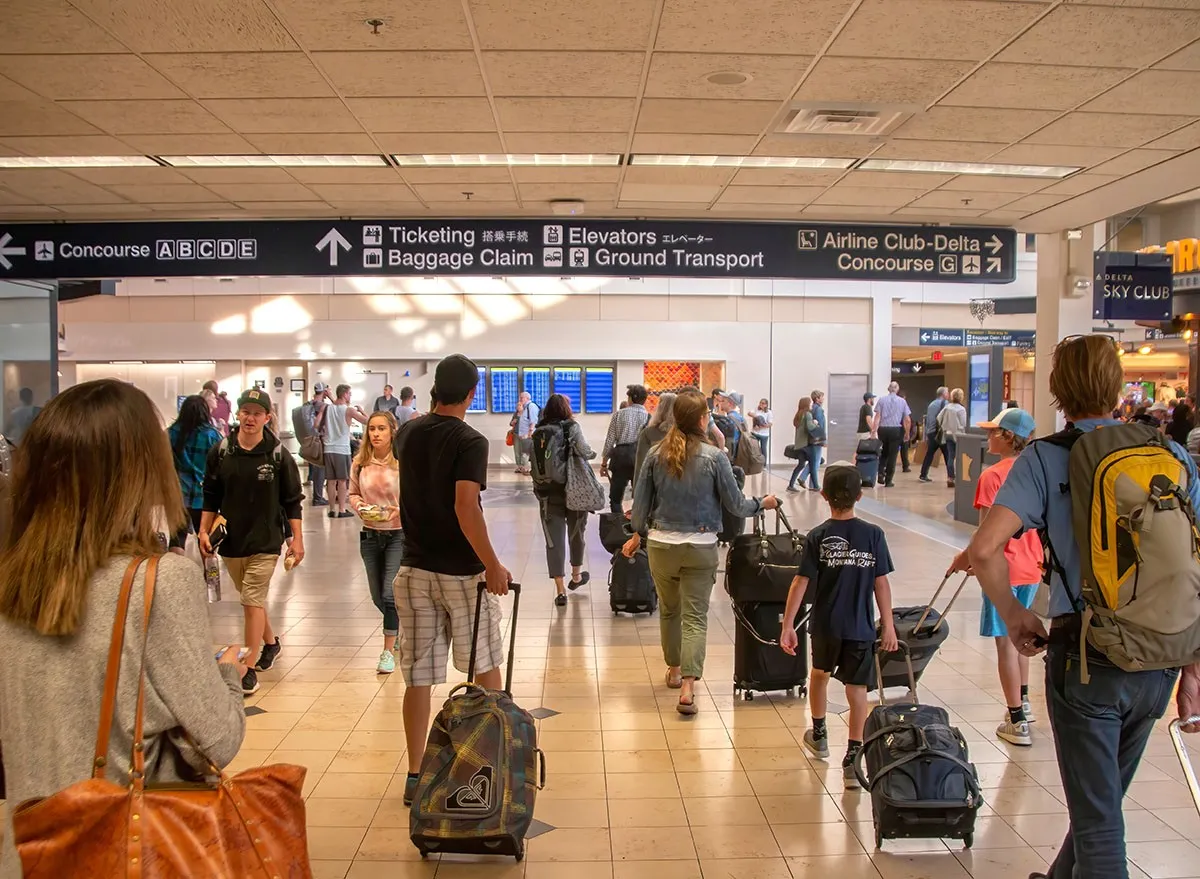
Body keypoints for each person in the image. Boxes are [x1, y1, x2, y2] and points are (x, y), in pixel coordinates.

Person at [965, 335, 1200, 879]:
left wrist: (1016, 614)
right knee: (1104, 801)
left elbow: (984, 548)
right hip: (1159, 658)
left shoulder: (1048, 457)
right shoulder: (1171, 455)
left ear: (1057, 390)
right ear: (1117, 386)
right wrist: (1191, 667)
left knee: (1099, 824)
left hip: (1089, 656)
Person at [0, 379, 247, 879]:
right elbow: (216, 741)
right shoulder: (156, 581)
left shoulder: (13, 581)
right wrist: (225, 675)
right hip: (125, 848)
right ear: (140, 469)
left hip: (28, 852)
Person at [393, 353, 511, 807]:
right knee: (485, 667)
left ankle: (416, 772)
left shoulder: (408, 432)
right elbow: (466, 507)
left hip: (413, 567)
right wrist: (493, 565)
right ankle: (483, 767)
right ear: (470, 394)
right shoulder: (470, 440)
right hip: (462, 574)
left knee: (419, 677)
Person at [623, 389, 778, 715]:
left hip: (662, 547)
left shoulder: (654, 454)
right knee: (695, 616)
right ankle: (689, 688)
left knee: (669, 611)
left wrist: (639, 534)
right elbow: (735, 505)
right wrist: (761, 504)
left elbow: (638, 514)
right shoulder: (715, 456)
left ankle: (675, 669)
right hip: (701, 547)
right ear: (703, 419)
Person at [780, 463, 898, 789]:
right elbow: (881, 584)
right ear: (860, 495)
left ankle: (819, 734)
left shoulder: (817, 536)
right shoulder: (873, 535)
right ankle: (853, 757)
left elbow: (800, 583)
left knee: (819, 675)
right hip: (860, 626)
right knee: (856, 690)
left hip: (826, 625)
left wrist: (787, 624)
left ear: (823, 495)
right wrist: (888, 625)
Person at [200, 388, 304, 696]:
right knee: (252, 601)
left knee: (250, 601)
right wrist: (204, 531)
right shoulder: (221, 451)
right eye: (245, 411)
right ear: (238, 414)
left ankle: (248, 666)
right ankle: (271, 643)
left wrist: (296, 539)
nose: (250, 418)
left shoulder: (277, 454)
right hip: (231, 541)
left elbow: (292, 501)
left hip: (266, 540)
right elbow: (210, 496)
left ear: (267, 418)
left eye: (257, 413)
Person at [948, 408, 1041, 748]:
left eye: (992, 433)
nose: (987, 438)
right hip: (1032, 566)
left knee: (1005, 642)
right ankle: (1025, 703)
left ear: (1006, 437)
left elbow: (986, 537)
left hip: (1003, 572)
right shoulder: (1035, 473)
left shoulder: (993, 477)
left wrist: (965, 561)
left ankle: (1016, 719)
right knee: (1025, 638)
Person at [350, 411, 404, 675]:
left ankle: (387, 650)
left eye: (382, 428)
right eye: (372, 429)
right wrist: (360, 506)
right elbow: (352, 493)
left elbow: (415, 495)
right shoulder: (360, 463)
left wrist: (399, 510)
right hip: (370, 533)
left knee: (389, 594)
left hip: (398, 533)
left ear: (392, 431)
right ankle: (402, 629)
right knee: (376, 597)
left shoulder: (401, 462)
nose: (376, 433)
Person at [532, 394, 594, 607]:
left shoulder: (539, 431)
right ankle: (576, 577)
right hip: (573, 489)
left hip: (547, 492)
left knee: (553, 540)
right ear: (566, 409)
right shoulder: (571, 427)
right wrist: (593, 454)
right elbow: (584, 451)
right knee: (576, 533)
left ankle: (560, 591)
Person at [166, 395, 222, 554]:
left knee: (177, 538)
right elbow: (221, 466)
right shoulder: (213, 436)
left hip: (178, 495)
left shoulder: (170, 434)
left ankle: (176, 572)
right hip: (204, 497)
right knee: (206, 539)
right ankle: (210, 575)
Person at [315, 383, 368, 518]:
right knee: (342, 481)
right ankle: (342, 510)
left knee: (331, 481)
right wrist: (362, 411)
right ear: (345, 394)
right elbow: (366, 421)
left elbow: (316, 424)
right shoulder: (348, 410)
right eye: (349, 394)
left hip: (328, 449)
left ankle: (332, 509)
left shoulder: (326, 408)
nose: (350, 396)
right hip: (342, 449)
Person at [601, 384, 651, 516]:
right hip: (641, 459)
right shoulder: (649, 418)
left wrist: (604, 463)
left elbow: (609, 441)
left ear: (630, 398)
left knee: (616, 498)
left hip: (620, 459)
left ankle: (618, 527)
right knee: (640, 498)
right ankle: (635, 528)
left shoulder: (619, 415)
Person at [294, 383, 328, 506]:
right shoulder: (323, 406)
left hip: (310, 441)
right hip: (320, 441)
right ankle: (318, 498)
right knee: (321, 469)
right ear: (324, 392)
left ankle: (317, 496)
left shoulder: (308, 404)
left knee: (315, 467)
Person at [873, 381, 911, 488]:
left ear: (888, 389)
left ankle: (880, 473)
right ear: (897, 390)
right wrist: (907, 433)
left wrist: (874, 431)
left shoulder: (881, 400)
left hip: (883, 429)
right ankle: (888, 480)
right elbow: (907, 419)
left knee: (883, 452)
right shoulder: (902, 402)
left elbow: (877, 417)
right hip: (896, 430)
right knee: (893, 455)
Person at [636, 391, 676, 483]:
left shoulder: (648, 433)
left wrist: (637, 493)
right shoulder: (684, 432)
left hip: (655, 485)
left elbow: (640, 467)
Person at [936, 388, 968, 488]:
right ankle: (960, 477)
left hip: (948, 434)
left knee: (950, 456)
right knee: (960, 457)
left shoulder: (947, 407)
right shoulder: (961, 409)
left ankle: (950, 477)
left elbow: (938, 418)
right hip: (959, 435)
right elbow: (964, 423)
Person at [919, 387, 950, 483]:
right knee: (947, 455)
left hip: (931, 433)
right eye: (947, 392)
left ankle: (923, 474)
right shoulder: (945, 404)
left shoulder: (931, 404)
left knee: (929, 454)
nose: (948, 394)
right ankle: (951, 475)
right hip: (941, 433)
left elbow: (928, 420)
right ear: (943, 394)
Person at [787, 396, 817, 492]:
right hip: (806, 444)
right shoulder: (808, 414)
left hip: (799, 445)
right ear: (806, 405)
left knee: (801, 465)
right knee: (815, 462)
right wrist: (815, 422)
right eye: (811, 403)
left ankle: (791, 485)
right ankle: (816, 486)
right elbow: (810, 427)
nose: (812, 405)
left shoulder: (798, 415)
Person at [512, 391, 540, 475]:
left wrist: (530, 433)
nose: (520, 399)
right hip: (519, 434)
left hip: (527, 434)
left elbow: (533, 421)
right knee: (519, 451)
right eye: (520, 397)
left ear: (527, 398)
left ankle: (526, 468)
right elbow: (517, 421)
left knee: (525, 452)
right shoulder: (521, 408)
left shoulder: (531, 406)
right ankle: (521, 467)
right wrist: (519, 412)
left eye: (522, 398)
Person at [808, 389, 828, 490]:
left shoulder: (812, 408)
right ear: (817, 399)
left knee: (814, 460)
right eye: (821, 397)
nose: (823, 399)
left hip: (812, 438)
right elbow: (820, 426)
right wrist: (823, 440)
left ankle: (806, 480)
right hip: (818, 439)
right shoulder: (819, 409)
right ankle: (813, 484)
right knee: (816, 461)